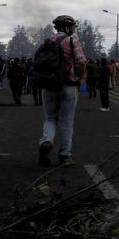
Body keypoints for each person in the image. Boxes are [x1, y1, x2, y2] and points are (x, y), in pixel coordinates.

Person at [36, 15, 87, 167]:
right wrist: (79, 80)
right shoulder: (71, 40)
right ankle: (64, 156)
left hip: (48, 86)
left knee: (50, 118)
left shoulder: (47, 41)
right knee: (66, 121)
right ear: (67, 27)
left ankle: (46, 141)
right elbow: (82, 62)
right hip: (68, 86)